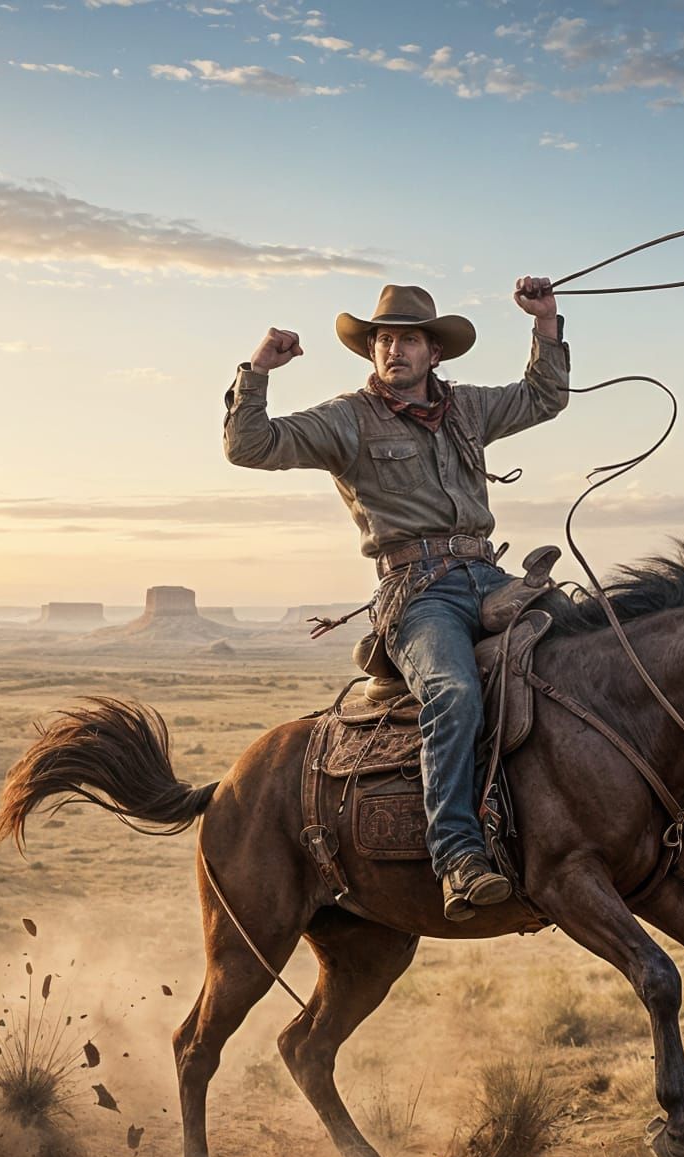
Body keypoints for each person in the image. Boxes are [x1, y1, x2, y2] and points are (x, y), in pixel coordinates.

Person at [223, 279, 569, 920]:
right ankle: (457, 855)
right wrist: (258, 370)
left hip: (490, 578)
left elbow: (543, 396)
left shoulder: (468, 408)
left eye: (408, 339)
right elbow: (250, 446)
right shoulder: (347, 419)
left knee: (597, 643)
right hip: (419, 593)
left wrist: (545, 323)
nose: (393, 349)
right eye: (383, 339)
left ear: (434, 352)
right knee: (453, 691)